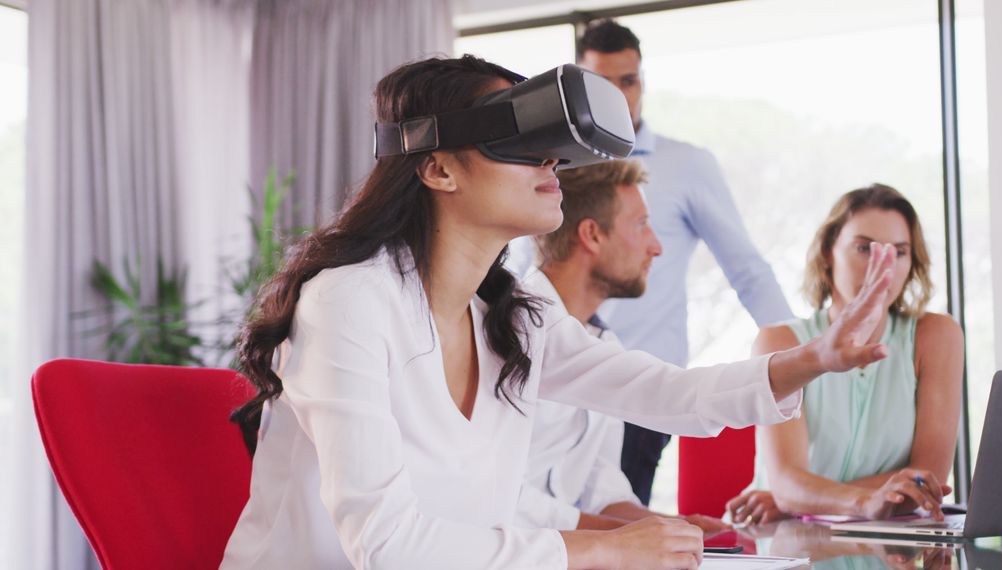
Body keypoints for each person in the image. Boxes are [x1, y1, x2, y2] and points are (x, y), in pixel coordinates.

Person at [220, 55, 900, 570]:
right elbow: (389, 547)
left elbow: (670, 393)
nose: (550, 160)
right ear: (438, 170)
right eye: (517, 141)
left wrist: (818, 357)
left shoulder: (512, 319)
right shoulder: (351, 303)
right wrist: (603, 549)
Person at [578, 19, 795, 505]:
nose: (618, 96)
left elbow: (747, 268)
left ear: (643, 83)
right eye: (602, 85)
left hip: (645, 390)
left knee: (620, 520)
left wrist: (800, 355)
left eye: (628, 82)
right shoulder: (556, 167)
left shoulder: (687, 165)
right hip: (560, 379)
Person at [726, 184, 963, 525]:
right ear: (827, 253)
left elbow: (926, 480)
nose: (883, 266)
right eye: (864, 248)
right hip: (785, 540)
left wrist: (808, 499)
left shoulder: (937, 336)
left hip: (886, 542)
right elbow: (788, 484)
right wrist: (803, 499)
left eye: (899, 251)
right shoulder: (779, 341)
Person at [515, 159, 726, 536]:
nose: (657, 247)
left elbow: (600, 484)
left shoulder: (603, 343)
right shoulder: (507, 333)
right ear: (592, 235)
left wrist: (674, 526)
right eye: (642, 224)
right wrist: (617, 535)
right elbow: (493, 492)